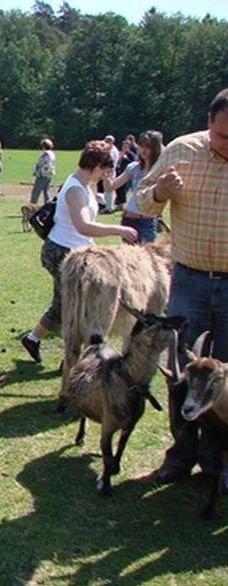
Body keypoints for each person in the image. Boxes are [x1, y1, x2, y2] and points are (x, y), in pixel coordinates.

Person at [135, 89, 228, 486]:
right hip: (188, 280)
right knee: (180, 373)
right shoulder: (181, 151)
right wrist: (160, 193)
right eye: (224, 137)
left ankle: (219, 462)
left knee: (225, 381)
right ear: (209, 125)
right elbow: (140, 203)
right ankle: (181, 455)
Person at [21, 141, 138, 363]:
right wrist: (118, 229)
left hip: (75, 251)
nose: (105, 175)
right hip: (61, 252)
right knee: (67, 305)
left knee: (75, 304)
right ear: (94, 165)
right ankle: (42, 343)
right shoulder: (75, 189)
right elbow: (83, 225)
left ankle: (46, 344)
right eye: (104, 169)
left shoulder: (84, 185)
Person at [104, 130, 164, 244]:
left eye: (148, 147)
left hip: (146, 222)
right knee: (128, 259)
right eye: (141, 146)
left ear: (155, 149)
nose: (143, 150)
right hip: (128, 220)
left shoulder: (160, 170)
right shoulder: (133, 167)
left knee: (145, 259)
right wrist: (106, 174)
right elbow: (110, 187)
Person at [30, 138, 55, 204]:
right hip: (49, 174)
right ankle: (48, 205)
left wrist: (35, 169)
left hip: (43, 174)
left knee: (36, 191)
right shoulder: (52, 154)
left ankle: (32, 206)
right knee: (46, 191)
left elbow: (41, 163)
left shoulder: (45, 154)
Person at [101, 135, 120, 213]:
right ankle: (108, 205)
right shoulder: (110, 149)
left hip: (110, 172)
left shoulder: (113, 150)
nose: (107, 142)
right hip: (107, 171)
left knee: (109, 190)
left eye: (109, 141)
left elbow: (111, 163)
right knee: (107, 190)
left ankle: (109, 207)